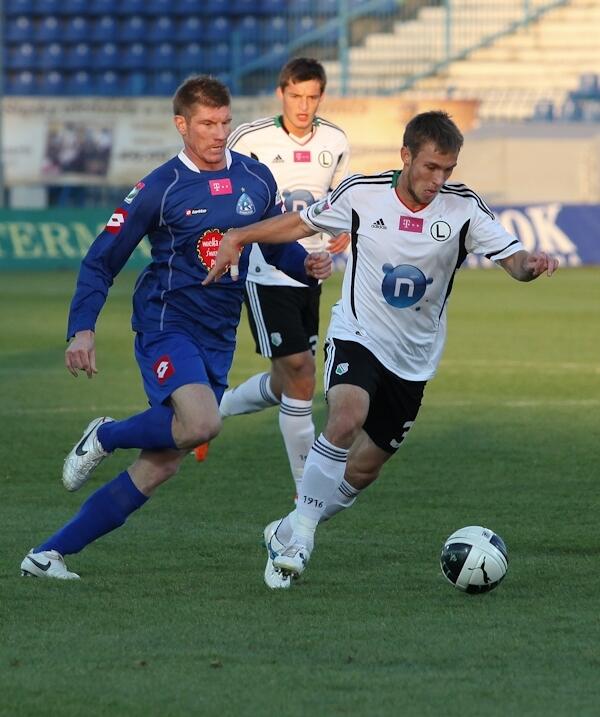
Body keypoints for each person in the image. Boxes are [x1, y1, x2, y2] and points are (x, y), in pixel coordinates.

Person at [203, 110, 559, 590]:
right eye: (431, 167)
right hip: (358, 333)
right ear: (406, 156)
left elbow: (512, 261)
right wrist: (241, 235)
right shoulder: (362, 193)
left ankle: (286, 529)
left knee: (363, 470)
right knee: (346, 415)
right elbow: (299, 223)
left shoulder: (463, 208)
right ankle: (302, 538)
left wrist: (531, 266)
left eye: (447, 170)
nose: (438, 180)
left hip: (413, 359)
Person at [20, 75, 332, 580]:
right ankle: (106, 434)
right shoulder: (159, 187)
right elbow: (102, 260)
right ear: (181, 125)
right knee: (205, 423)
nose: (218, 133)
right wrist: (82, 329)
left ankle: (46, 554)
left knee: (161, 464)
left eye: (225, 122)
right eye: (207, 123)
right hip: (168, 323)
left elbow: (276, 246)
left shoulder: (255, 178)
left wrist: (306, 265)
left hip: (218, 334)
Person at [195, 58, 351, 503]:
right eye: (296, 95)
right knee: (301, 372)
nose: (304, 105)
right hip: (265, 270)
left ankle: (214, 409)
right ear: (281, 93)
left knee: (288, 382)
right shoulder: (250, 138)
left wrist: (344, 231)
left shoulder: (336, 140)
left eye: (312, 97)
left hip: (313, 269)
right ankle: (308, 496)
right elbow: (226, 189)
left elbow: (337, 199)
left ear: (321, 97)